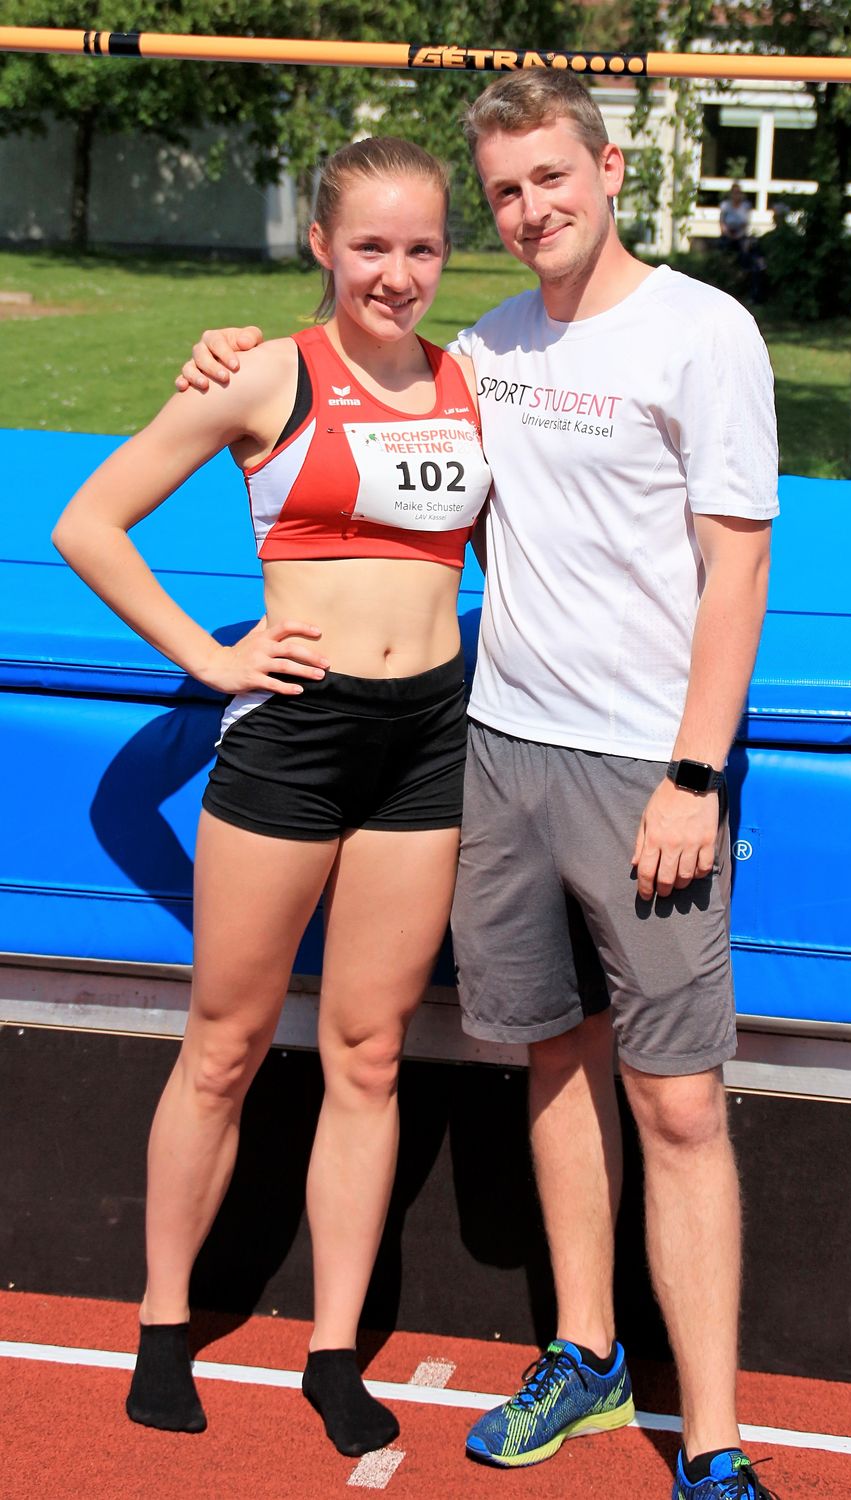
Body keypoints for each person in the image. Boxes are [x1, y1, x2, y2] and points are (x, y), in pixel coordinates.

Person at [182, 71, 781, 1500]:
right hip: (496, 752)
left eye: (550, 178)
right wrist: (228, 352)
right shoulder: (484, 350)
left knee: (678, 1105)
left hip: (646, 768)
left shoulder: (705, 331)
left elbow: (739, 564)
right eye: (504, 191)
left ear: (610, 169)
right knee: (554, 1061)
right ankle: (587, 1355)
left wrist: (694, 772)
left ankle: (712, 1444)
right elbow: (350, 363)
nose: (530, 210)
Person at [52, 136, 491, 1460]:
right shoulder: (264, 375)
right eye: (372, 247)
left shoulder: (472, 381)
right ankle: (164, 1322)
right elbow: (88, 524)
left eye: (423, 248)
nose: (398, 275)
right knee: (227, 1044)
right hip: (295, 736)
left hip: (428, 738)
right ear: (321, 244)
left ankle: (335, 1349)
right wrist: (211, 658)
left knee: (369, 1052)